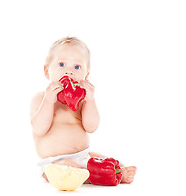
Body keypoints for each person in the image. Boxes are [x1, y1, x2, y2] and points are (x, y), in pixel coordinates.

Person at [30, 37, 136, 184]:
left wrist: (90, 100)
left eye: (77, 67)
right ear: (47, 71)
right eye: (62, 64)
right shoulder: (41, 98)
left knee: (101, 158)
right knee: (69, 167)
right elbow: (39, 128)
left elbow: (91, 127)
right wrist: (49, 101)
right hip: (56, 162)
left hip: (84, 155)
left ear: (86, 76)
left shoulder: (81, 101)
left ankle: (119, 170)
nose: (69, 71)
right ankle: (94, 175)